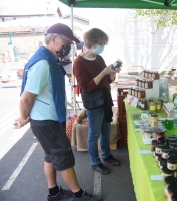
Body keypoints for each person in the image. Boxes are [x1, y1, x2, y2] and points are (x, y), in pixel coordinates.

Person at [14, 23, 94, 201]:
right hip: (47, 122)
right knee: (63, 158)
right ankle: (79, 196)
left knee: (50, 156)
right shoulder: (43, 63)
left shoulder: (49, 58)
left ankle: (54, 192)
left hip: (44, 120)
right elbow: (26, 98)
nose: (68, 46)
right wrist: (24, 117)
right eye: (66, 41)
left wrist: (27, 118)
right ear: (52, 39)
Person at [73, 28, 120, 174]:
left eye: (104, 44)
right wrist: (103, 72)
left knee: (105, 131)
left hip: (105, 99)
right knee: (93, 134)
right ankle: (95, 162)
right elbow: (86, 87)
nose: (102, 47)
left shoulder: (99, 58)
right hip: (93, 103)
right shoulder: (79, 62)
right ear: (91, 42)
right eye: (101, 43)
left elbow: (107, 81)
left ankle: (106, 155)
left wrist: (112, 74)